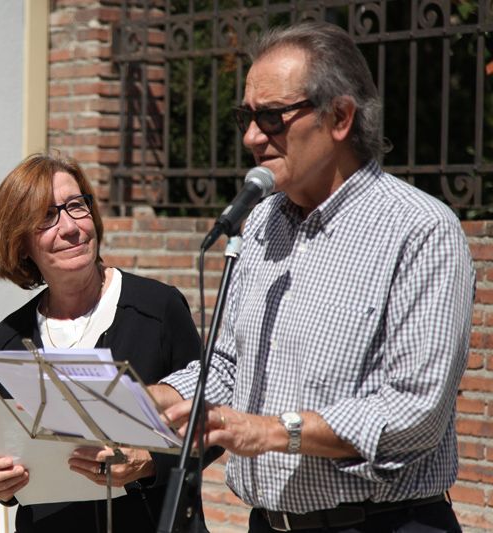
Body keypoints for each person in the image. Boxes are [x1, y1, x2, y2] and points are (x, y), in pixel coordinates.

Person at [151, 21, 474, 533]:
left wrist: (276, 432)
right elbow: (232, 366)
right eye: (246, 117)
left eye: (273, 117)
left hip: (382, 522)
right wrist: (157, 398)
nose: (253, 137)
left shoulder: (419, 229)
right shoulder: (259, 223)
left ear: (340, 117)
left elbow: (415, 410)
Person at [0, 153, 208, 532]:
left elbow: (210, 424)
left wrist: (149, 463)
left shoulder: (157, 308)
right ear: (20, 244)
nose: (70, 227)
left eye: (75, 206)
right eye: (47, 217)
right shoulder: (11, 335)